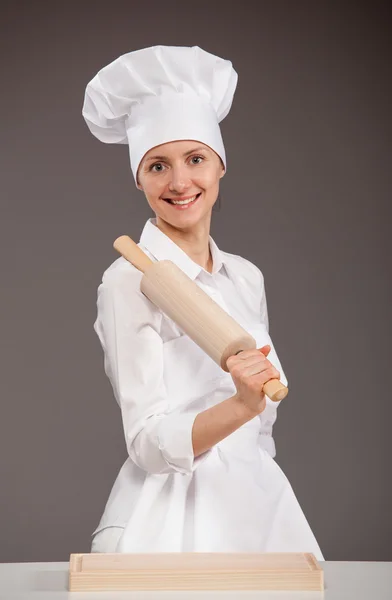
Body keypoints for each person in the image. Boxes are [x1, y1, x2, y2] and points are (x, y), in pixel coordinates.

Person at [82, 45, 324, 559]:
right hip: (165, 519)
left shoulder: (246, 277)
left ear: (220, 167)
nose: (179, 182)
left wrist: (253, 415)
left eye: (195, 160)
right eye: (157, 166)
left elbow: (261, 430)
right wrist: (242, 404)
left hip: (258, 509)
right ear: (139, 178)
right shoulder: (129, 281)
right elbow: (147, 442)